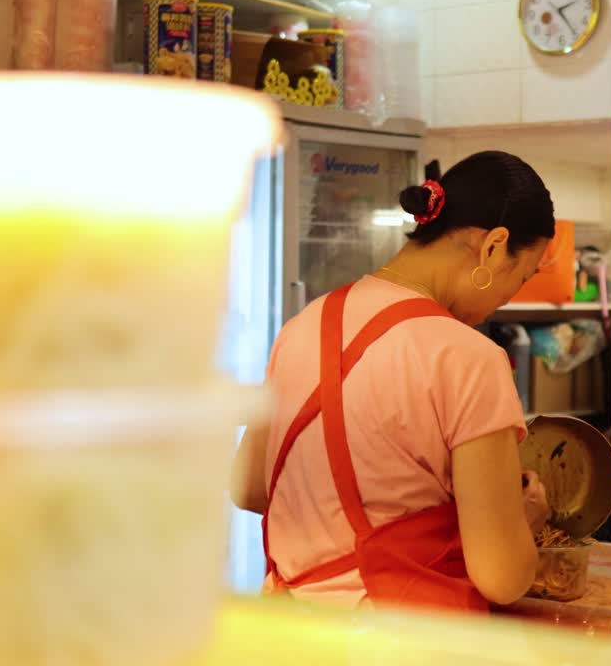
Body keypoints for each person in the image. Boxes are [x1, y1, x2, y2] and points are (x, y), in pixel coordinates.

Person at [232, 151, 557, 612]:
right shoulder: (469, 358)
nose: (505, 300)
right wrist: (523, 521)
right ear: (493, 247)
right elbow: (502, 579)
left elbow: (248, 488)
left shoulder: (301, 326)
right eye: (519, 278)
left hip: (291, 634)